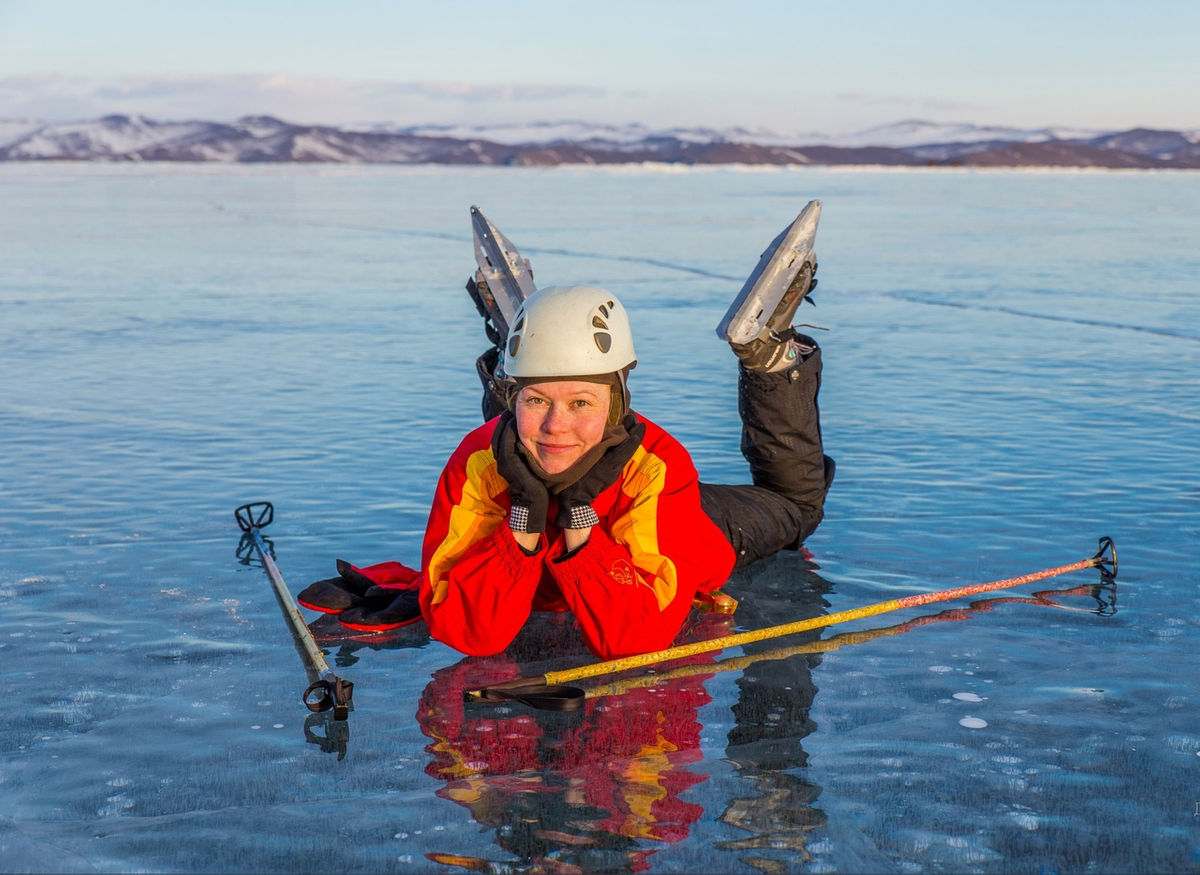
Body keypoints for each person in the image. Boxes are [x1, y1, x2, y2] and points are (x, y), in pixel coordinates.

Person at [300, 210, 834, 661]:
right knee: (521, 439)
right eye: (537, 399)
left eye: (583, 402)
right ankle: (529, 344)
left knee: (795, 507)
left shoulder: (656, 464)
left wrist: (579, 519)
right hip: (559, 495)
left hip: (676, 519)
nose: (558, 423)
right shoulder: (478, 462)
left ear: (617, 404)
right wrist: (525, 520)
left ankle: (770, 356)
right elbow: (470, 635)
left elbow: (635, 637)